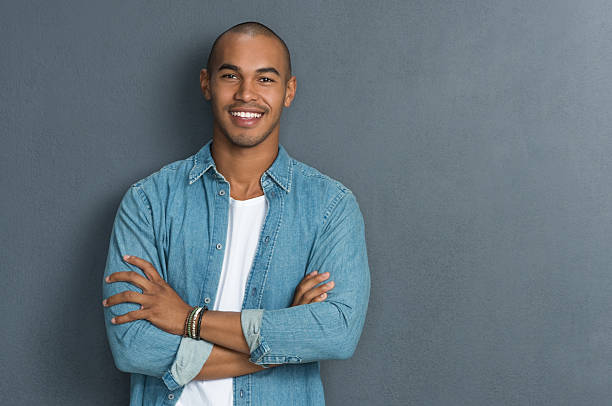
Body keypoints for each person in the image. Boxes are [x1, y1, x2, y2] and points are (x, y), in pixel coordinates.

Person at [102, 21, 370, 405]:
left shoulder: (330, 207)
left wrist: (188, 319)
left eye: (265, 79)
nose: (247, 94)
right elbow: (133, 346)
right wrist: (285, 338)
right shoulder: (149, 201)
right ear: (206, 83)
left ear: (288, 91)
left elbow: (337, 333)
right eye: (231, 75)